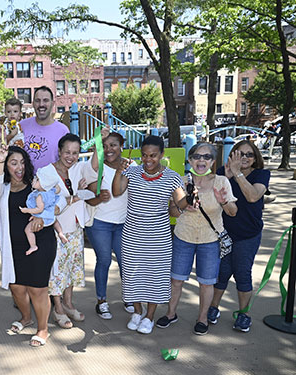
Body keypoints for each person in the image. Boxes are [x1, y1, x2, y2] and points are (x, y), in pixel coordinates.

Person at [112, 135, 189, 335]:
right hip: (132, 235)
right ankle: (137, 311)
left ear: (162, 155)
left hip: (158, 237)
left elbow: (180, 204)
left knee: (154, 277)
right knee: (131, 274)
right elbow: (117, 191)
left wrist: (190, 198)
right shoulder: (132, 171)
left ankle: (149, 316)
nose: (148, 160)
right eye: (144, 155)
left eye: (153, 156)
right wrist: (119, 172)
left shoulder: (172, 177)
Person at [158, 143, 237, 335]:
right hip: (183, 237)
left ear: (212, 160)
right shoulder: (181, 181)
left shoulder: (221, 182)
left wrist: (223, 201)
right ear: (190, 159)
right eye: (197, 156)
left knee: (206, 282)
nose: (201, 160)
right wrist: (184, 206)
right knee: (176, 280)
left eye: (207, 157)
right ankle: (171, 313)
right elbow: (172, 211)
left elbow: (233, 212)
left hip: (209, 239)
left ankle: (202, 318)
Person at [0, 145, 58, 347]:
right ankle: (26, 318)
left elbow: (59, 200)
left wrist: (44, 220)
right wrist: (0, 161)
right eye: (13, 163)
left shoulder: (37, 184)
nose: (19, 167)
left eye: (22, 162)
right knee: (17, 287)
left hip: (41, 242)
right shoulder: (3, 189)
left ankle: (43, 329)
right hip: (14, 247)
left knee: (38, 289)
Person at [209, 140, 270, 332]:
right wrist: (225, 178)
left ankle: (244, 314)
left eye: (249, 155)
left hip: (248, 234)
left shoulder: (261, 174)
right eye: (240, 154)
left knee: (242, 273)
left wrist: (237, 174)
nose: (244, 158)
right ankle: (213, 308)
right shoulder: (222, 172)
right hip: (224, 233)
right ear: (233, 154)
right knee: (221, 272)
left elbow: (253, 196)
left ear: (255, 158)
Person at [39, 134, 94, 329]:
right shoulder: (46, 172)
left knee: (71, 268)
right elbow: (45, 203)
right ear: (59, 151)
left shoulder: (78, 170)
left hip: (75, 227)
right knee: (57, 270)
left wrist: (79, 192)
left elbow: (96, 165)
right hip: (56, 230)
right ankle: (58, 308)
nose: (70, 156)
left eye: (75, 153)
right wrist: (73, 197)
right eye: (67, 152)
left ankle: (68, 303)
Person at [85, 131, 134, 319]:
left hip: (124, 223)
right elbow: (87, 193)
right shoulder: (96, 168)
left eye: (113, 145)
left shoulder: (131, 166)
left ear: (122, 146)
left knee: (126, 261)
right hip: (100, 222)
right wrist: (98, 138)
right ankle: (101, 301)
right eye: (105, 146)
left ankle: (129, 297)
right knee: (104, 260)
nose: (109, 149)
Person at [19, 86, 70, 173]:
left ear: (52, 103)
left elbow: (68, 161)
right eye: (37, 100)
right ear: (33, 103)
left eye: (45, 100)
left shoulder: (63, 131)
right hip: (24, 183)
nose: (41, 104)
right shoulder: (21, 126)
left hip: (52, 184)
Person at [20, 173, 66, 255]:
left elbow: (39, 209)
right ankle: (60, 233)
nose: (34, 180)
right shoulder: (51, 190)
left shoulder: (39, 196)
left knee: (28, 230)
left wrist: (27, 210)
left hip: (44, 218)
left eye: (37, 180)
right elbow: (58, 189)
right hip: (51, 215)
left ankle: (33, 245)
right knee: (55, 221)